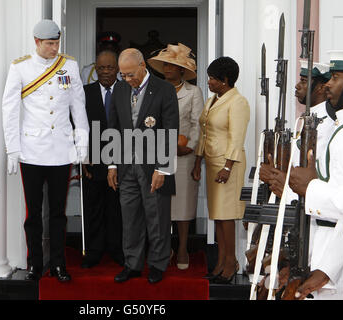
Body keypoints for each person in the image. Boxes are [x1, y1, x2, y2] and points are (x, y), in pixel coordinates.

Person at [2, 19, 89, 282]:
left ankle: (59, 264)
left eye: (56, 43)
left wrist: (82, 144)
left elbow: (78, 107)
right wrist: (12, 149)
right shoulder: (20, 68)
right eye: (50, 44)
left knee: (58, 214)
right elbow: (10, 110)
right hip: (31, 150)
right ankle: (35, 264)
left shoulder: (69, 66)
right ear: (37, 42)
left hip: (61, 151)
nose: (54, 48)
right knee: (33, 213)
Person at [259, 60, 343, 299]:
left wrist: (294, 187)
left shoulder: (337, 129)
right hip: (320, 236)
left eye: (336, 78)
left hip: (326, 232)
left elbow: (340, 200)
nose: (329, 85)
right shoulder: (320, 123)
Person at [107, 48, 179, 284]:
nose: (126, 80)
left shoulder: (164, 89)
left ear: (142, 66)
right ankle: (133, 264)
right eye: (123, 75)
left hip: (154, 167)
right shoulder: (119, 89)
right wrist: (112, 164)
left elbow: (170, 130)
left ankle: (157, 264)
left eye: (130, 74)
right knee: (130, 218)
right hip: (127, 165)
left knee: (157, 217)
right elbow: (114, 127)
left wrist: (163, 168)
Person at [289, 51, 343, 300]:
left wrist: (309, 187)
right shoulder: (341, 128)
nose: (328, 85)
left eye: (336, 78)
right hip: (331, 243)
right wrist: (326, 269)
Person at [191, 57, 250, 284]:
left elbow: (237, 139)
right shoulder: (213, 100)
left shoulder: (238, 102)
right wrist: (197, 162)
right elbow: (204, 133)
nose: (209, 82)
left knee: (227, 217)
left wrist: (227, 167)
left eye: (213, 78)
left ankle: (231, 262)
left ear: (225, 80)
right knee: (217, 215)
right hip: (212, 164)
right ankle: (220, 262)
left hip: (229, 166)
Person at [147, 43, 204, 270]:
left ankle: (182, 248)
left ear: (182, 70)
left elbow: (198, 124)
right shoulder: (155, 89)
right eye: (165, 65)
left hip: (184, 156)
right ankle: (164, 247)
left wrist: (188, 146)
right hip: (159, 156)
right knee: (161, 205)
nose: (167, 69)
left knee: (182, 205)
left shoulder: (194, 92)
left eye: (172, 66)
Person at [81, 50, 124, 268]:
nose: (105, 72)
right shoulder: (84, 92)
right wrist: (83, 156)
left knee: (117, 207)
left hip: (123, 160)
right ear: (95, 70)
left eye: (109, 67)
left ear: (117, 69)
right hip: (93, 160)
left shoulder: (127, 91)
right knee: (94, 207)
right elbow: (78, 127)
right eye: (101, 68)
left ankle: (118, 249)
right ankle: (94, 251)